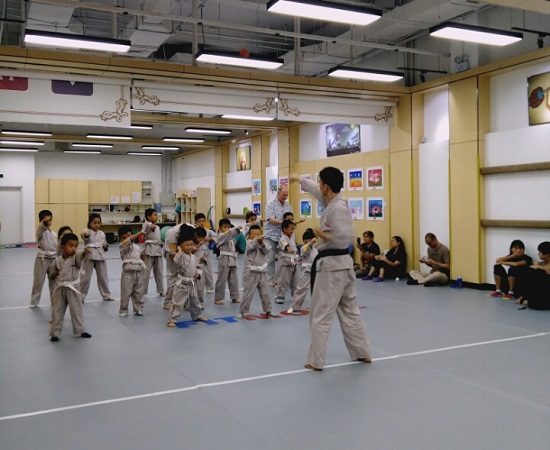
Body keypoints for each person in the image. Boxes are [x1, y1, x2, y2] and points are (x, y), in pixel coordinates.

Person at [290, 168, 371, 371]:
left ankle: (316, 360)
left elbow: (345, 236)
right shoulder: (333, 202)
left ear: (326, 186)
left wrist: (324, 236)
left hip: (332, 267)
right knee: (350, 311)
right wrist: (300, 179)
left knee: (321, 314)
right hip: (342, 266)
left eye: (320, 183)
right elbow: (317, 192)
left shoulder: (338, 208)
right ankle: (361, 352)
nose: (318, 187)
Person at [49, 233, 92, 342]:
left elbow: (81, 256)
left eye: (76, 246)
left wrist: (85, 252)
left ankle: (81, 330)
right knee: (57, 311)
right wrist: (55, 273)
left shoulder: (75, 258)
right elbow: (52, 275)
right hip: (60, 288)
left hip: (73, 287)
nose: (74, 248)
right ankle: (55, 333)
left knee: (76, 310)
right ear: (63, 247)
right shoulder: (58, 260)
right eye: (71, 246)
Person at [167, 224, 208, 327]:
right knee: (177, 303)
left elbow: (199, 267)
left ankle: (197, 315)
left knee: (195, 302)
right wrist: (179, 252)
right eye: (187, 245)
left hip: (192, 283)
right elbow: (176, 262)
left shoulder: (194, 257)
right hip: (182, 284)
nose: (190, 247)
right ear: (181, 246)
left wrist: (198, 273)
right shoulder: (180, 256)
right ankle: (172, 319)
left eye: (191, 245)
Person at [237, 224, 276, 319]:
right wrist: (258, 240)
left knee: (265, 292)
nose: (256, 236)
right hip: (251, 273)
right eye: (253, 234)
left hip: (262, 272)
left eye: (258, 234)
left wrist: (262, 242)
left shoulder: (264, 244)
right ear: (249, 235)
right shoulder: (249, 244)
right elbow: (254, 245)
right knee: (248, 293)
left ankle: (268, 310)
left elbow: (267, 250)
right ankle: (242, 311)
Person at [80, 213, 115, 302]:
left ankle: (106, 295)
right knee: (85, 278)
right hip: (89, 256)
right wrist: (85, 235)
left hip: (100, 256)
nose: (97, 225)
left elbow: (104, 246)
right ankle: (80, 296)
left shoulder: (102, 233)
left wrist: (106, 246)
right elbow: (84, 236)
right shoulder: (87, 231)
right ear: (90, 223)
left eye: (99, 223)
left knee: (103, 277)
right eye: (95, 223)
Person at [264, 186, 293, 286]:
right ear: (278, 193)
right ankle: (270, 280)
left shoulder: (287, 205)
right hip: (271, 235)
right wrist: (284, 222)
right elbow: (270, 219)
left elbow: (291, 217)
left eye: (286, 195)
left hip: (283, 236)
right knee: (270, 258)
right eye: (283, 195)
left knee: (284, 259)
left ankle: (282, 279)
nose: (285, 197)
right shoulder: (270, 204)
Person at [29, 210, 57, 308]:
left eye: (50, 219)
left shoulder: (54, 233)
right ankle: (34, 301)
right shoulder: (40, 231)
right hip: (42, 259)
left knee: (54, 281)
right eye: (46, 219)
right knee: (38, 281)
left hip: (53, 259)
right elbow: (42, 226)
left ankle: (55, 300)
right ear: (41, 220)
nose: (49, 221)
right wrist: (44, 222)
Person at [287, 228, 318, 314]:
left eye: (309, 241)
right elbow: (306, 250)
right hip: (306, 272)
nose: (307, 243)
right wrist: (310, 244)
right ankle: (293, 306)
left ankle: (320, 306)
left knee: (319, 290)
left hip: (316, 271)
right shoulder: (303, 248)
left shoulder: (316, 250)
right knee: (301, 289)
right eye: (305, 242)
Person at [118, 226, 147, 317]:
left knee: (139, 291)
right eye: (124, 237)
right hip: (128, 271)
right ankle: (123, 309)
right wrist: (139, 233)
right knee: (126, 291)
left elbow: (139, 258)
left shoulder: (137, 247)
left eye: (129, 236)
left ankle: (138, 308)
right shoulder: (122, 246)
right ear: (120, 239)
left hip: (138, 270)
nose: (127, 238)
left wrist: (142, 257)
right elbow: (129, 241)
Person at [214, 219, 242, 305]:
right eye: (224, 227)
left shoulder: (230, 238)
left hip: (232, 259)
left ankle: (235, 297)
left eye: (228, 227)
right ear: (220, 228)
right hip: (224, 259)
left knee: (234, 279)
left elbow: (230, 237)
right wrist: (236, 229)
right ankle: (218, 298)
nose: (227, 229)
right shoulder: (221, 236)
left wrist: (235, 252)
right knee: (222, 279)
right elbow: (229, 233)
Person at [515, 241, 550, 309]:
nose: (538, 254)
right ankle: (525, 297)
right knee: (529, 271)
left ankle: (530, 300)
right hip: (540, 292)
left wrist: (540, 267)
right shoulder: (542, 263)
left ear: (547, 254)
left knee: (538, 272)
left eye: (539, 252)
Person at [274, 219, 300, 305]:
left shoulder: (291, 238)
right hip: (285, 263)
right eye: (291, 229)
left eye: (293, 229)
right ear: (285, 229)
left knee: (295, 282)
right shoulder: (282, 239)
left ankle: (295, 297)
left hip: (293, 262)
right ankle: (279, 297)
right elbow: (287, 247)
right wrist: (291, 250)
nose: (293, 231)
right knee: (283, 281)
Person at [141, 208, 165, 297]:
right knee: (146, 272)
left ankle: (161, 290)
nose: (157, 217)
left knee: (159, 272)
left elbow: (157, 238)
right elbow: (150, 227)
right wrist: (152, 226)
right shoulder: (146, 224)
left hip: (158, 250)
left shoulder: (158, 227)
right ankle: (142, 291)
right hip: (149, 250)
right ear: (148, 217)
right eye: (155, 215)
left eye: (157, 215)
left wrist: (160, 243)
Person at [195, 213, 216, 294]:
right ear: (196, 222)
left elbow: (216, 237)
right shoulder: (194, 231)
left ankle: (210, 287)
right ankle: (196, 287)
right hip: (196, 252)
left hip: (205, 252)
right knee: (196, 270)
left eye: (203, 221)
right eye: (199, 221)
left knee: (208, 271)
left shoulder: (208, 231)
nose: (201, 223)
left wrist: (209, 239)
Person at [193, 227, 208, 309]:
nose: (200, 239)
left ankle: (200, 303)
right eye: (199, 237)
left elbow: (206, 256)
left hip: (200, 268)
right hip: (192, 267)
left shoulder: (204, 246)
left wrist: (204, 259)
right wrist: (198, 246)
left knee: (201, 287)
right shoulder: (191, 244)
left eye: (202, 238)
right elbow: (190, 252)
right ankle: (190, 304)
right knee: (192, 287)